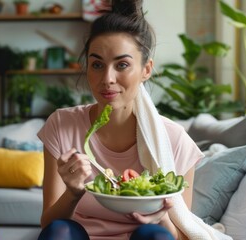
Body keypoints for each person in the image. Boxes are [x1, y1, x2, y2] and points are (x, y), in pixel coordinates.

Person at [37, 0, 232, 239]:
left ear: (146, 70)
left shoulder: (174, 140)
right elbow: (47, 223)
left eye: (122, 65)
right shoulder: (61, 125)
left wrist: (161, 216)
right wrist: (73, 192)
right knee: (59, 231)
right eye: (97, 64)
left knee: (156, 236)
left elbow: (182, 235)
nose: (107, 78)